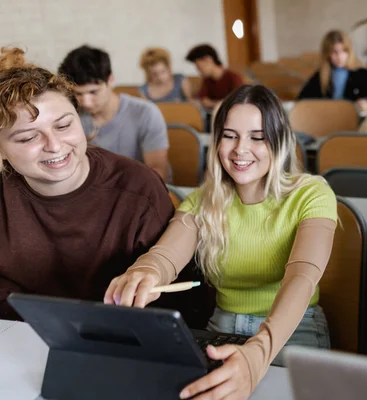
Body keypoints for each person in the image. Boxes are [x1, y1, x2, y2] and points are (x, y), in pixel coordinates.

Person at [104, 85, 337, 399]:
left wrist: (259, 351)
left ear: (279, 141)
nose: (240, 149)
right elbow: (164, 256)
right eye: (229, 135)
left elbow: (302, 277)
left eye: (257, 137)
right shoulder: (203, 201)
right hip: (222, 326)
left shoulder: (312, 193)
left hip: (295, 329)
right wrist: (143, 272)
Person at [0, 48, 173, 320]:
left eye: (63, 125)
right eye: (27, 138)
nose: (54, 145)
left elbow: (178, 306)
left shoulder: (138, 189)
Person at [58, 45, 170, 182]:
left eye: (93, 92)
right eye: (78, 94)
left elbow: (157, 173)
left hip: (137, 190)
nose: (86, 102)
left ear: (110, 80)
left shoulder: (146, 113)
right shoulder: (70, 115)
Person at [297, 30, 367, 115]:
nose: (340, 57)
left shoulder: (365, 74)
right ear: (327, 54)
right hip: (327, 120)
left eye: (344, 51)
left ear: (349, 51)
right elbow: (302, 102)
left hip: (355, 121)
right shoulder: (320, 76)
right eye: (334, 52)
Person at [185, 44, 244, 111]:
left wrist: (213, 103)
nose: (198, 70)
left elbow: (240, 101)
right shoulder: (207, 80)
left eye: (199, 67)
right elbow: (202, 99)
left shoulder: (233, 77)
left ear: (208, 60)